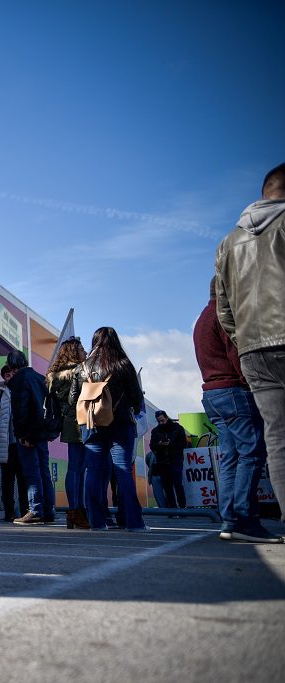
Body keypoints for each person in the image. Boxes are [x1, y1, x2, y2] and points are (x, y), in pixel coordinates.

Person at [215, 162, 285, 522]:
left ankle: (248, 517)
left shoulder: (229, 242)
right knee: (255, 447)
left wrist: (243, 339)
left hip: (254, 350)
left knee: (276, 440)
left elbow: (223, 308)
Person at [194, 276, 282, 543]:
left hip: (212, 393)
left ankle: (230, 520)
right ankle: (244, 519)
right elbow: (237, 355)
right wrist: (252, 382)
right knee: (252, 455)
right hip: (233, 391)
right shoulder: (224, 315)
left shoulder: (202, 318)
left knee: (231, 458)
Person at [70, 327, 147, 531]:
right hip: (120, 424)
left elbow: (73, 398)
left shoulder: (82, 368)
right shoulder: (122, 364)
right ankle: (134, 523)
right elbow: (137, 398)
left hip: (91, 425)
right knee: (122, 471)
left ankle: (96, 522)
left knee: (93, 473)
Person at [7, 350, 55, 525]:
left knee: (31, 473)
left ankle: (35, 510)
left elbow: (21, 410)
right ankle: (48, 511)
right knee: (44, 472)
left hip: (29, 433)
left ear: (12, 365)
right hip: (42, 432)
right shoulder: (39, 377)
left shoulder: (19, 380)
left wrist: (22, 435)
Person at [47, 338, 91, 529]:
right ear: (73, 352)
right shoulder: (77, 372)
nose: (86, 352)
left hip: (70, 421)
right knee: (77, 468)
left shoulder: (56, 375)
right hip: (79, 421)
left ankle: (76, 511)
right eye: (82, 349)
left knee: (77, 467)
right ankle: (76, 510)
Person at [0, 365, 28, 521]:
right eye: (7, 375)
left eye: (12, 374)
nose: (10, 377)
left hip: (22, 443)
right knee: (7, 481)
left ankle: (25, 511)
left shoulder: (24, 388)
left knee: (24, 480)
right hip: (6, 444)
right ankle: (8, 512)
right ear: (4, 377)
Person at [150, 411, 188, 508]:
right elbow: (152, 446)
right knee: (168, 486)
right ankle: (173, 508)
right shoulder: (156, 431)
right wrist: (159, 444)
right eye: (159, 421)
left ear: (167, 418)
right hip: (163, 461)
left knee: (177, 484)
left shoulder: (178, 428)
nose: (161, 423)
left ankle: (181, 507)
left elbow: (184, 444)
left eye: (162, 420)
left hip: (175, 459)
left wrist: (169, 444)